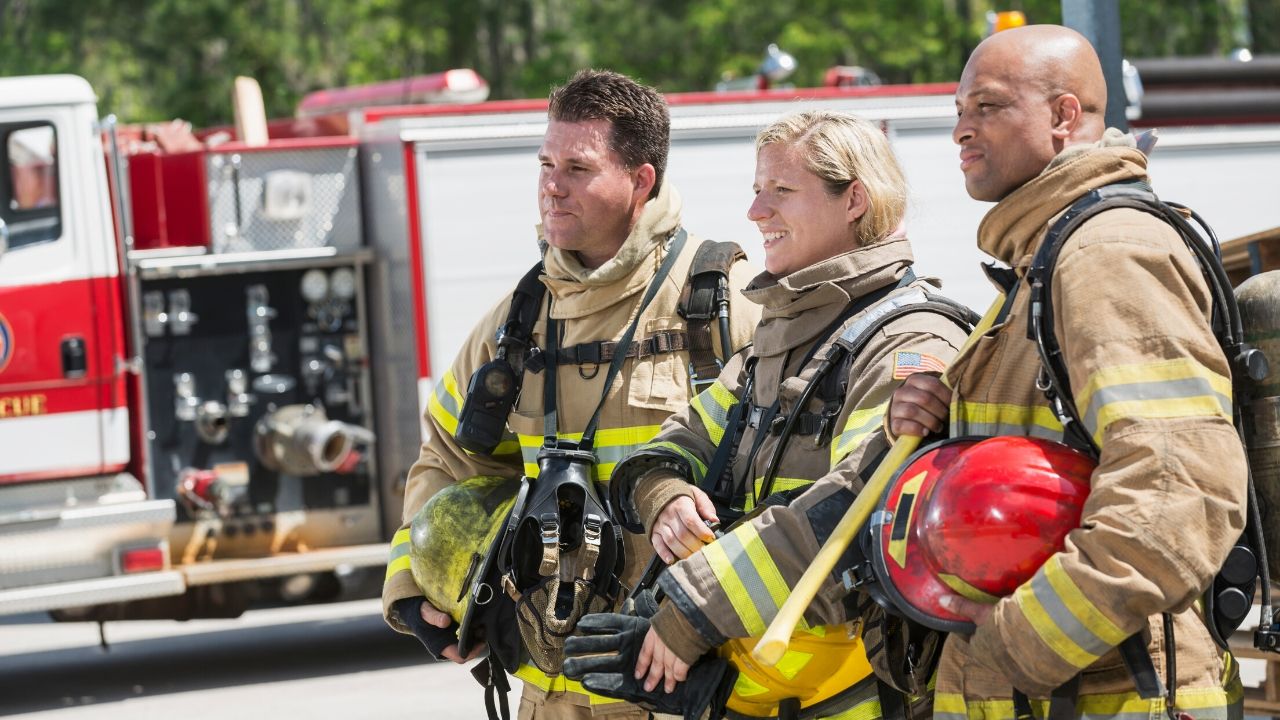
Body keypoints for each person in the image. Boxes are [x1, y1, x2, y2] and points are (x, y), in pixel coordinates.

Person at [886, 24, 1246, 718]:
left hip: (1109, 692)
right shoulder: (1042, 260)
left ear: (1063, 115)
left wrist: (1021, 641)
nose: (961, 130)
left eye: (987, 106)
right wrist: (937, 425)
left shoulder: (1105, 252)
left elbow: (1179, 488)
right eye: (958, 111)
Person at [381, 69, 760, 720]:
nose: (552, 186)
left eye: (578, 168)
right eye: (546, 165)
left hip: (685, 690)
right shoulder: (517, 319)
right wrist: (413, 584)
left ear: (641, 181)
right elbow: (447, 456)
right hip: (550, 695)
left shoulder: (720, 306)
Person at [593, 110, 971, 719]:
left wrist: (696, 611)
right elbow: (674, 444)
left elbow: (858, 513)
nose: (755, 212)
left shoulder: (909, 343)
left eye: (782, 190)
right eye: (756, 190)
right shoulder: (779, 341)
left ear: (854, 201)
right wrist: (665, 496)